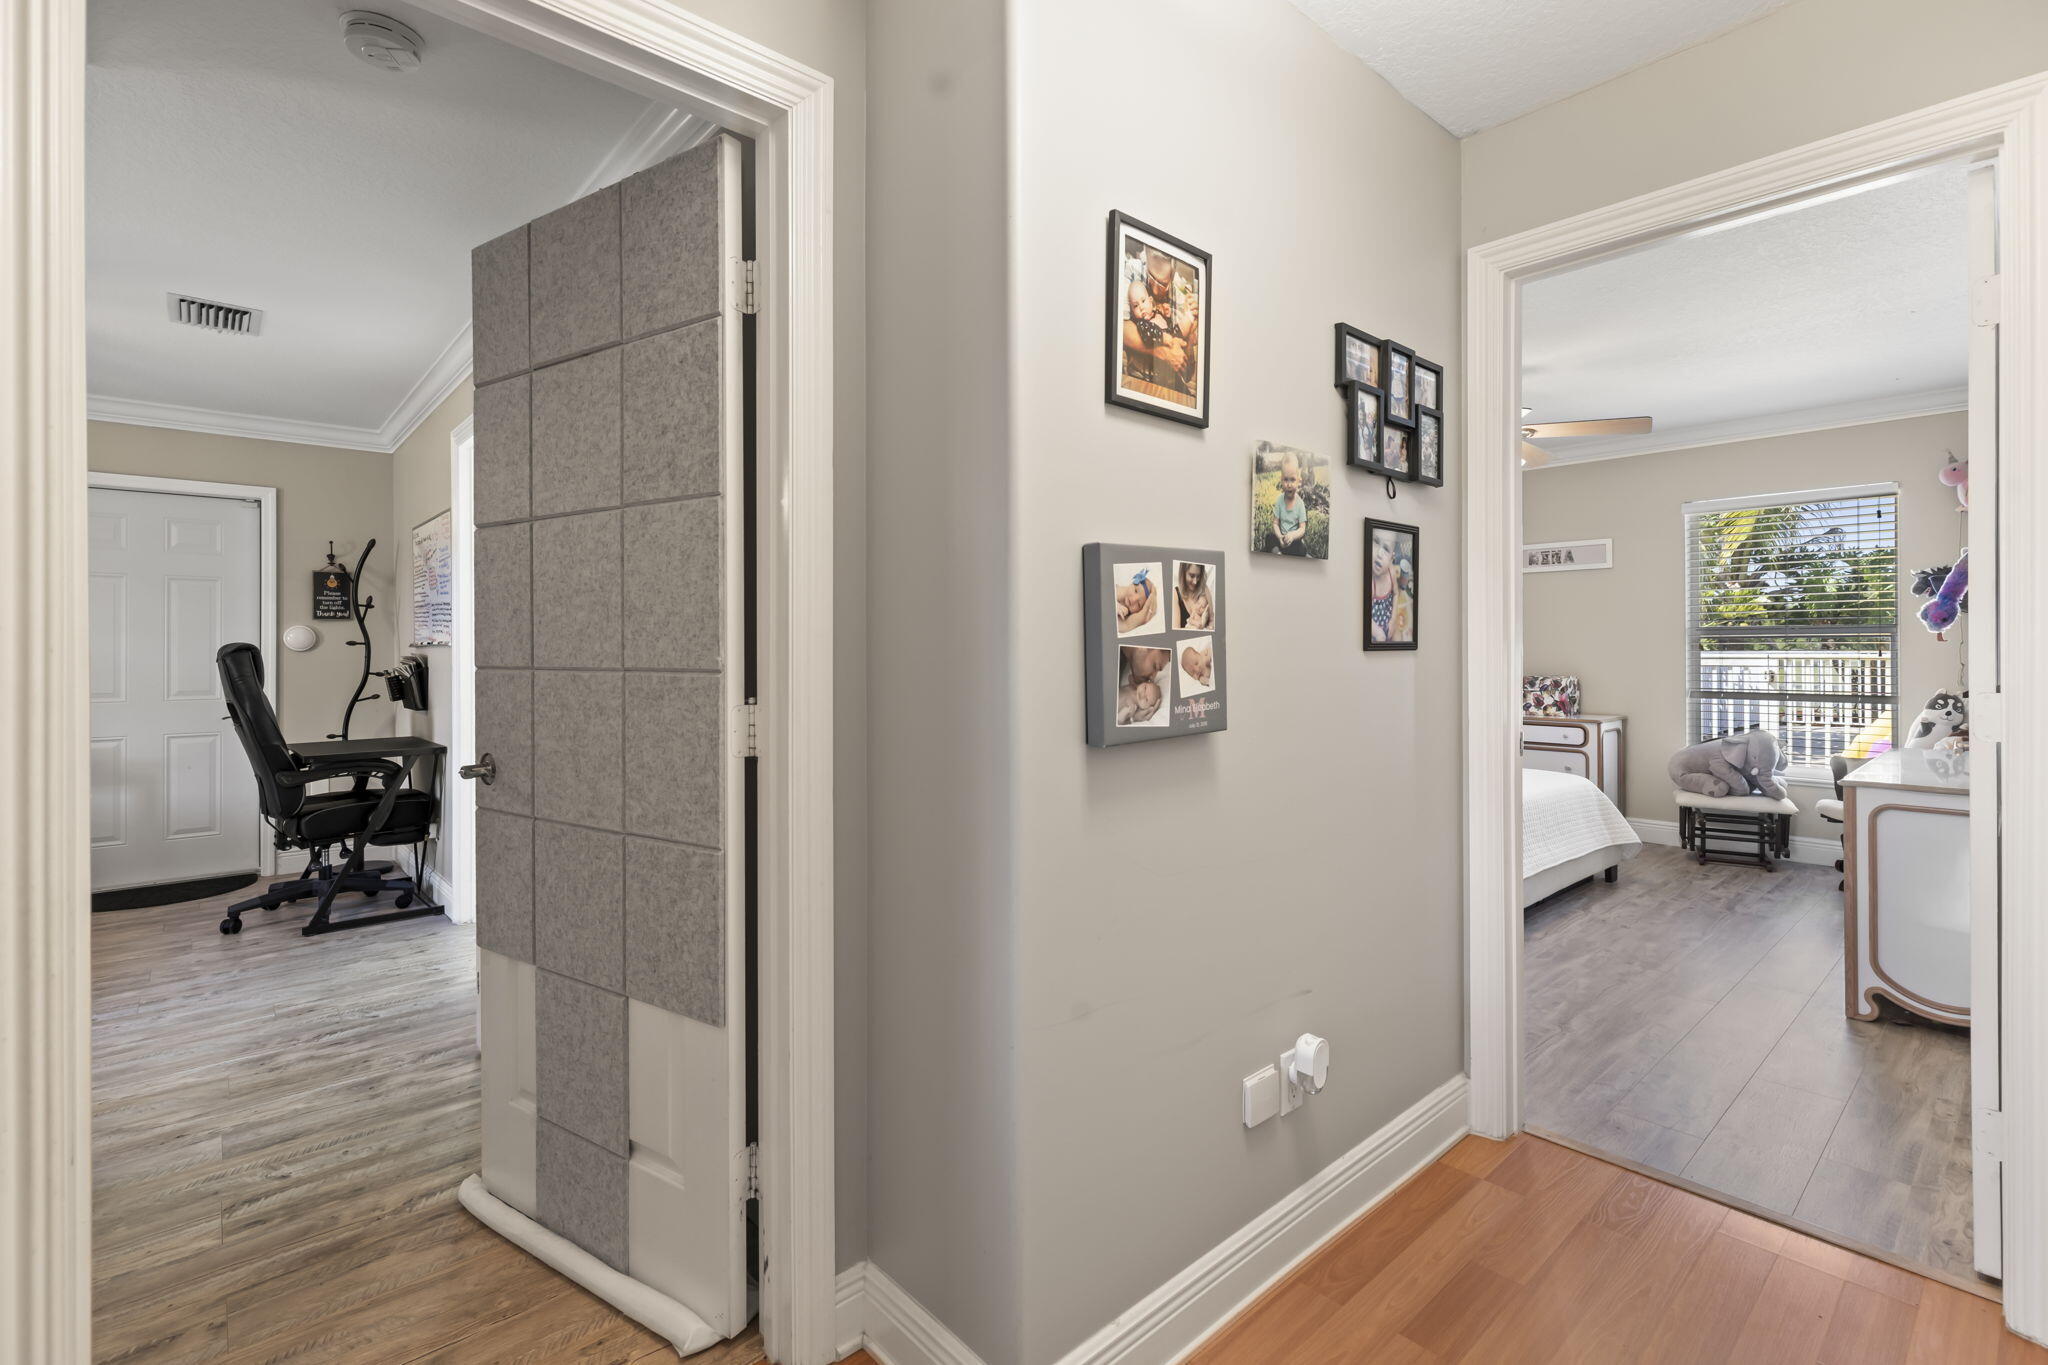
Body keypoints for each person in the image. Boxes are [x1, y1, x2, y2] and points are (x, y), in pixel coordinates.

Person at [1120, 248, 1198, 396]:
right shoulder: (1131, 272)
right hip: (1142, 380)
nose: (1155, 290)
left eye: (1163, 284)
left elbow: (1187, 373)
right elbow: (1120, 328)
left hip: (1172, 385)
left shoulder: (1180, 291)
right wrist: (1164, 349)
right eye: (1151, 279)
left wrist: (1191, 323)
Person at [1265, 452, 1310, 556]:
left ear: (1299, 481)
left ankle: (1288, 553)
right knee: (1269, 537)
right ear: (1281, 480)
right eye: (1286, 479)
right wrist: (1280, 536)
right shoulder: (1279, 501)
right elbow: (1275, 523)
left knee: (1302, 548)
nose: (1289, 484)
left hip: (1293, 541)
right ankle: (1278, 552)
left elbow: (1302, 528)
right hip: (1281, 539)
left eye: (1293, 480)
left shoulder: (1300, 504)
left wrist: (1293, 536)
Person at [1114, 568, 1159, 633]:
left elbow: (1125, 626)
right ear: (1132, 583)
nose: (1133, 599)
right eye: (1135, 591)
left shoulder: (1124, 616)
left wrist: (1151, 601)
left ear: (1139, 611)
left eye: (1138, 604)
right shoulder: (1117, 590)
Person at [1175, 561, 1213, 629]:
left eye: (1198, 576)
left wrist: (1208, 627)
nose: (1195, 582)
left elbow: (1212, 620)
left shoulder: (1204, 589)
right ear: (1183, 574)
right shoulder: (1175, 594)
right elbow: (1175, 631)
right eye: (1192, 576)